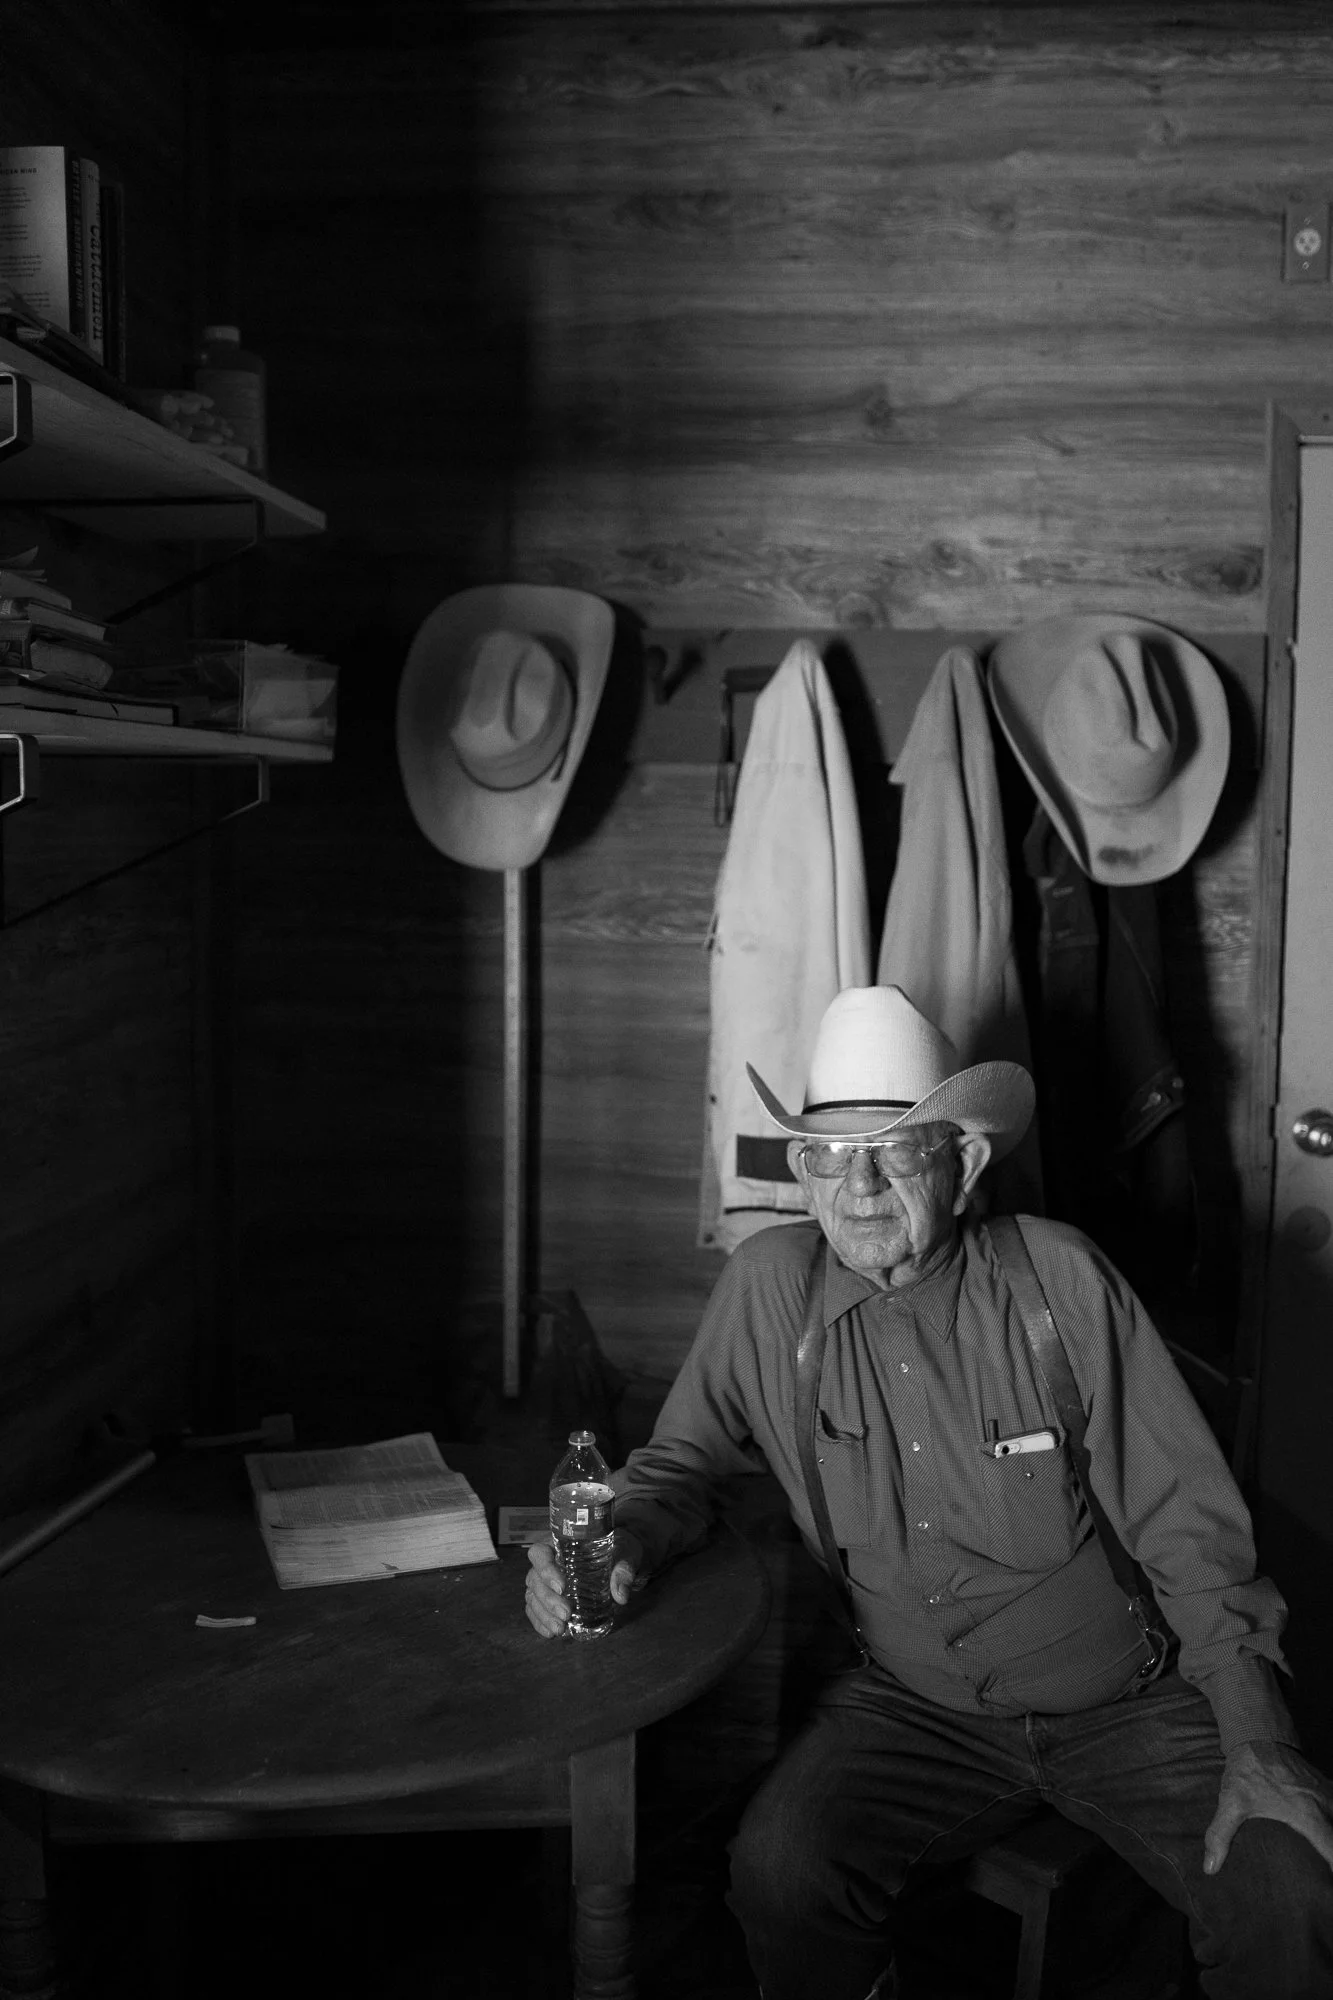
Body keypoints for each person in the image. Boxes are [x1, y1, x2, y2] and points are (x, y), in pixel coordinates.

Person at [525, 985, 1333, 2000]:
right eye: (825, 1152)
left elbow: (1190, 1526)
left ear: (965, 1161)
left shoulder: (1058, 1280)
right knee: (780, 1868)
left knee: (1287, 1887)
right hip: (915, 1709)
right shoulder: (768, 1289)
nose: (855, 1183)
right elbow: (679, 1464)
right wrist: (625, 1539)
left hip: (1129, 1702)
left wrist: (1260, 1740)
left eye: (895, 1147)